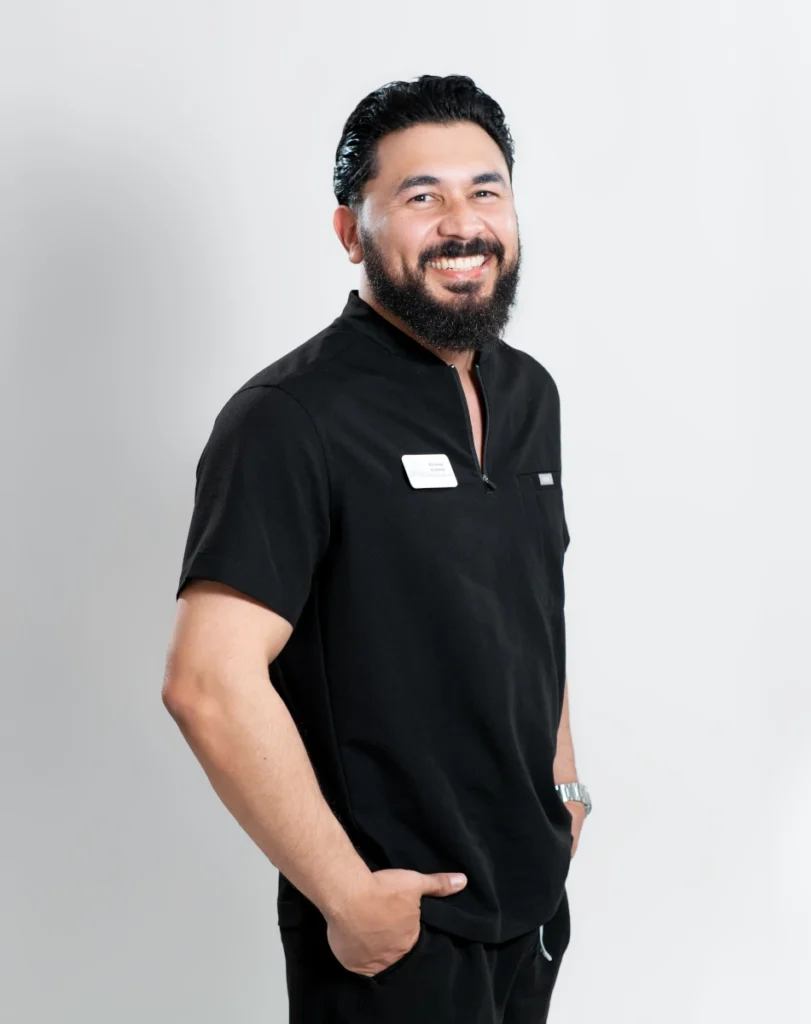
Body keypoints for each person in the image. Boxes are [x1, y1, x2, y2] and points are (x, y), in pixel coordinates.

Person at [163, 73, 592, 1023]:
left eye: (485, 191)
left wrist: (562, 783)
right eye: (421, 196)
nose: (463, 224)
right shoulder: (290, 418)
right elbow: (207, 681)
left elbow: (533, 604)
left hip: (529, 901)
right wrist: (347, 896)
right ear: (350, 233)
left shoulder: (530, 394)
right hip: (395, 928)